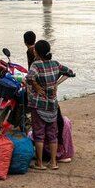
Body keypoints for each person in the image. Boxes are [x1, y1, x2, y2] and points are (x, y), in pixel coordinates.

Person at [26, 40, 75, 170]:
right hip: (52, 105)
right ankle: (53, 162)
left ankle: (40, 163)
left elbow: (29, 78)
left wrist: (36, 86)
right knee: (53, 134)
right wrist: (56, 84)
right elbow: (70, 72)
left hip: (39, 104)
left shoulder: (36, 65)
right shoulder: (55, 64)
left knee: (39, 134)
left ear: (37, 52)